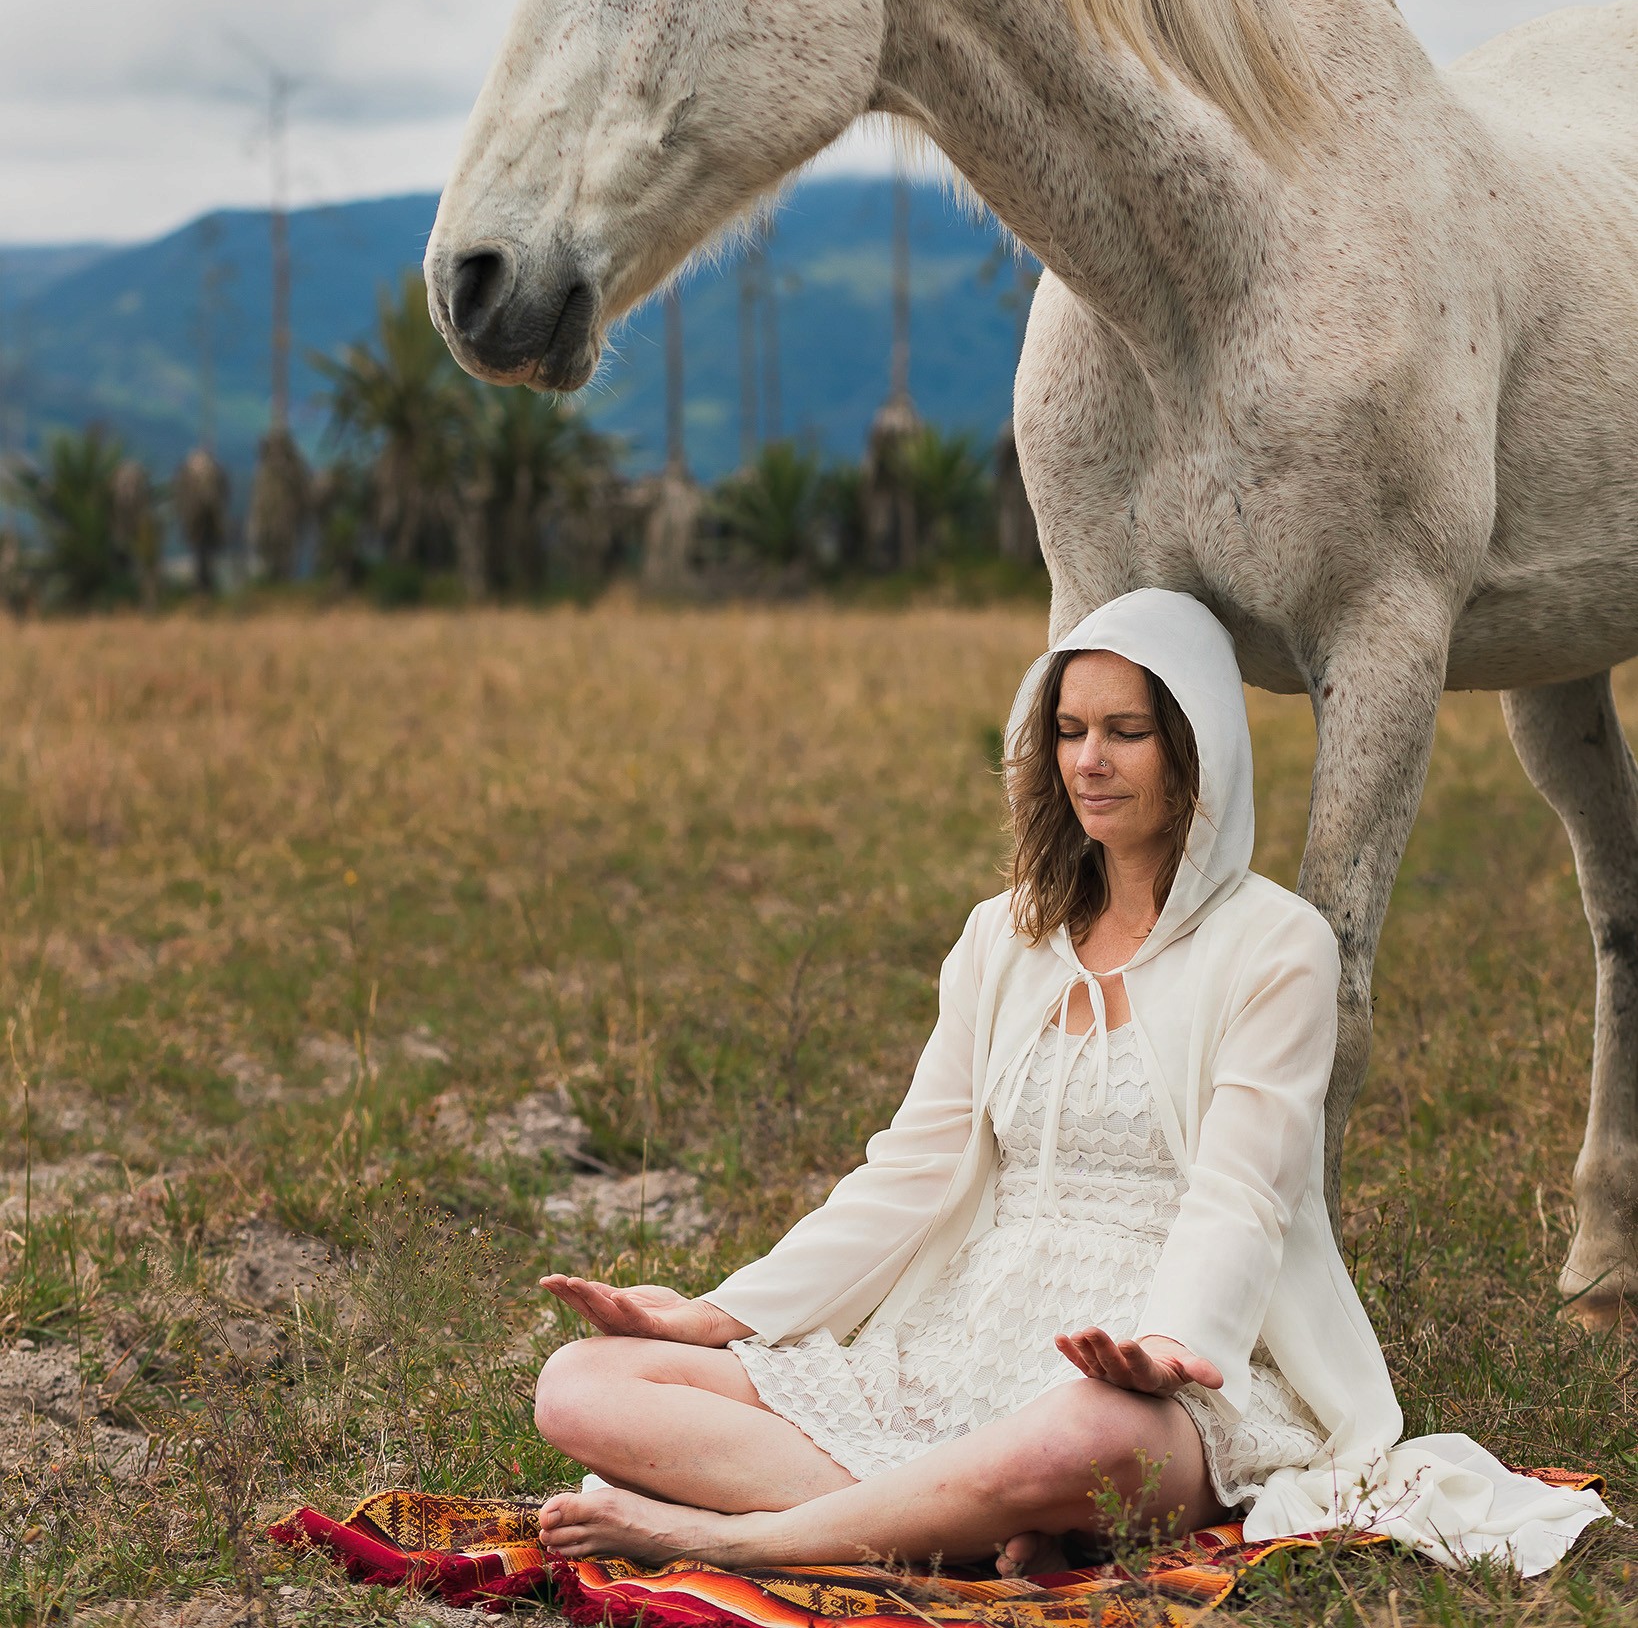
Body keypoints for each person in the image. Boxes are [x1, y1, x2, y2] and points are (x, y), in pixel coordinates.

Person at [533, 590, 1609, 1577]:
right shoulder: (1003, 936)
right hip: (964, 1336)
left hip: (1157, 1363)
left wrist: (1168, 1343)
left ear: (1196, 750)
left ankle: (743, 1538)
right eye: (1069, 729)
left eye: (1126, 731)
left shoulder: (1277, 944)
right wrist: (716, 1313)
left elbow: (1244, 1191)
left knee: (1084, 1435)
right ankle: (958, 1523)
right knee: (582, 1380)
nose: (1089, 759)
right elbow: (908, 1170)